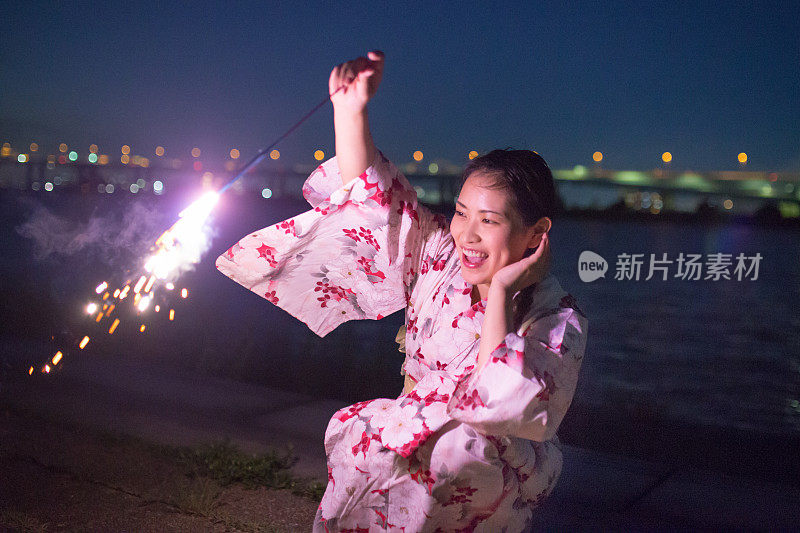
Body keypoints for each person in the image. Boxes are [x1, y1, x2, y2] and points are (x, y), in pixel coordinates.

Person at [216, 50, 588, 532]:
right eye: (461, 212)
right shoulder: (438, 251)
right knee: (370, 437)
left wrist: (499, 293)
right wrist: (351, 111)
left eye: (489, 221)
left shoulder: (556, 318)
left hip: (492, 465)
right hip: (411, 436)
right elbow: (375, 201)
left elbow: (496, 406)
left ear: (536, 234)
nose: (467, 235)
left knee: (459, 449)